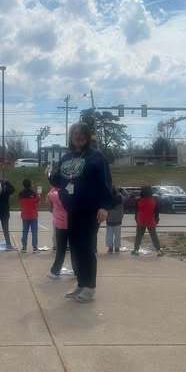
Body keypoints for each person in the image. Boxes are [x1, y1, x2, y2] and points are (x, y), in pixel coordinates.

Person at [49, 122, 113, 303]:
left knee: (86, 249)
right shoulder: (66, 157)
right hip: (72, 210)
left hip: (90, 210)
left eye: (81, 133)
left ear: (88, 136)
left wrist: (104, 206)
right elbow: (58, 181)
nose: (78, 136)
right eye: (74, 133)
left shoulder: (96, 156)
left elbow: (105, 182)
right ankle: (80, 283)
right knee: (75, 250)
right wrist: (52, 174)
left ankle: (90, 287)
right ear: (70, 137)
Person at [47, 186, 77, 279]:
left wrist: (55, 187)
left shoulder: (55, 195)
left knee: (60, 250)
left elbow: (50, 194)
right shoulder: (72, 193)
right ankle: (77, 271)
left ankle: (55, 271)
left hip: (60, 225)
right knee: (74, 250)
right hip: (73, 223)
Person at [132, 186, 164, 257]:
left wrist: (136, 219)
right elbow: (156, 212)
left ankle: (136, 250)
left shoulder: (139, 200)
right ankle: (159, 250)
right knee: (154, 236)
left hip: (141, 219)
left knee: (139, 236)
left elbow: (136, 211)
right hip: (151, 220)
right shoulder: (154, 200)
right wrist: (156, 219)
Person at [0, 177, 16, 251]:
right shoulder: (6, 191)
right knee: (5, 229)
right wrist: (7, 182)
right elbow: (13, 189)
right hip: (4, 212)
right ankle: (8, 244)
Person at [19, 179, 41, 253]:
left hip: (25, 215)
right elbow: (38, 200)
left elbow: (20, 202)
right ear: (30, 184)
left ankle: (24, 248)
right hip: (33, 215)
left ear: (23, 185)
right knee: (34, 232)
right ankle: (35, 248)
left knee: (25, 231)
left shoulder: (21, 193)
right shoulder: (34, 193)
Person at [106, 186, 124, 254]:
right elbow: (122, 211)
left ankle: (110, 248)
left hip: (109, 220)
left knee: (109, 235)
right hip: (118, 221)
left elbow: (106, 211)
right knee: (117, 235)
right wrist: (120, 218)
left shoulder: (108, 200)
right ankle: (117, 248)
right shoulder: (120, 199)